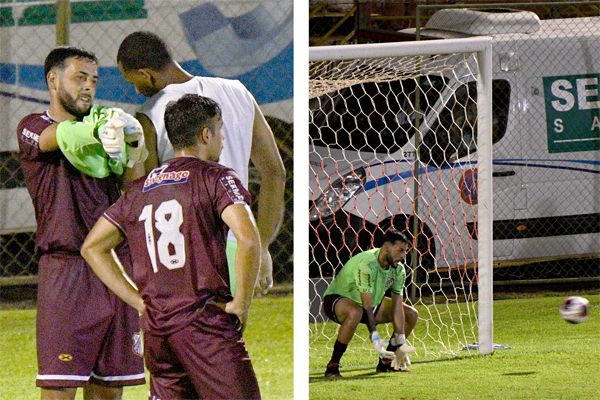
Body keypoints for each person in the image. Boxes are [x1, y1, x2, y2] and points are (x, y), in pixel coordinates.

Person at [81, 94, 262, 399]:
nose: (221, 140)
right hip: (204, 325)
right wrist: (241, 302)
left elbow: (92, 247)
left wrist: (138, 301)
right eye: (219, 130)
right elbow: (247, 237)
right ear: (206, 134)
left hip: (157, 330)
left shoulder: (139, 189)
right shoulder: (215, 177)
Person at [16, 46, 145, 399]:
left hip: (114, 264)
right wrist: (99, 130)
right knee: (59, 389)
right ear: (53, 80)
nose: (88, 87)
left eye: (93, 80)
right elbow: (55, 138)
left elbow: (134, 192)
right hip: (67, 270)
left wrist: (133, 143)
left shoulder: (106, 125)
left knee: (109, 391)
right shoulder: (32, 126)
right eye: (79, 78)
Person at [116, 31, 285, 295]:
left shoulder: (149, 114)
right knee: (229, 333)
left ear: (145, 74)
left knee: (188, 334)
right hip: (238, 244)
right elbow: (275, 173)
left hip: (185, 252)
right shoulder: (238, 92)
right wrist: (261, 246)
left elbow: (141, 195)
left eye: (133, 81)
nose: (136, 89)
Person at [322, 229, 419, 378]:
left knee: (411, 314)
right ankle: (333, 366)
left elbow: (397, 306)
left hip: (370, 306)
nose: (403, 256)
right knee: (355, 312)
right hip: (338, 300)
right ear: (387, 247)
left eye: (406, 251)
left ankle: (387, 362)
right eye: (400, 250)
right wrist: (375, 338)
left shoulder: (399, 270)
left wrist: (401, 341)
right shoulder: (367, 264)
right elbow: (366, 306)